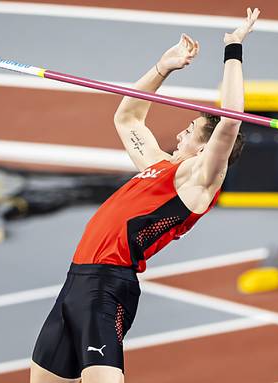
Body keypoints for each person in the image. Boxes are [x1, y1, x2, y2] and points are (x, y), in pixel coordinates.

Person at [30, 8, 261, 383]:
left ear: (205, 150)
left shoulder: (198, 181)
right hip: (76, 282)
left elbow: (231, 119)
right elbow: (128, 118)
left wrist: (233, 48)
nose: (180, 135)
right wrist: (162, 68)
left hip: (107, 286)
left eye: (189, 130)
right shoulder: (157, 165)